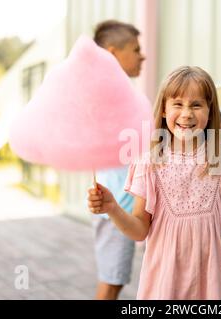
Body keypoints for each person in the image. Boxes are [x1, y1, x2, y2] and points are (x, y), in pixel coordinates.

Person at [87, 66, 221, 299]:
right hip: (164, 282)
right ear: (163, 109)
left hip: (208, 282)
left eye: (196, 105)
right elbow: (140, 229)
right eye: (178, 104)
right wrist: (112, 208)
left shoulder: (220, 156)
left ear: (210, 110)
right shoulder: (150, 161)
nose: (187, 114)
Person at [91, 19, 146, 300]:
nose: (142, 56)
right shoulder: (107, 97)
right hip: (117, 202)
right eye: (136, 49)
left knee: (118, 278)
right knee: (112, 281)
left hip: (131, 201)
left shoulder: (123, 96)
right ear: (113, 54)